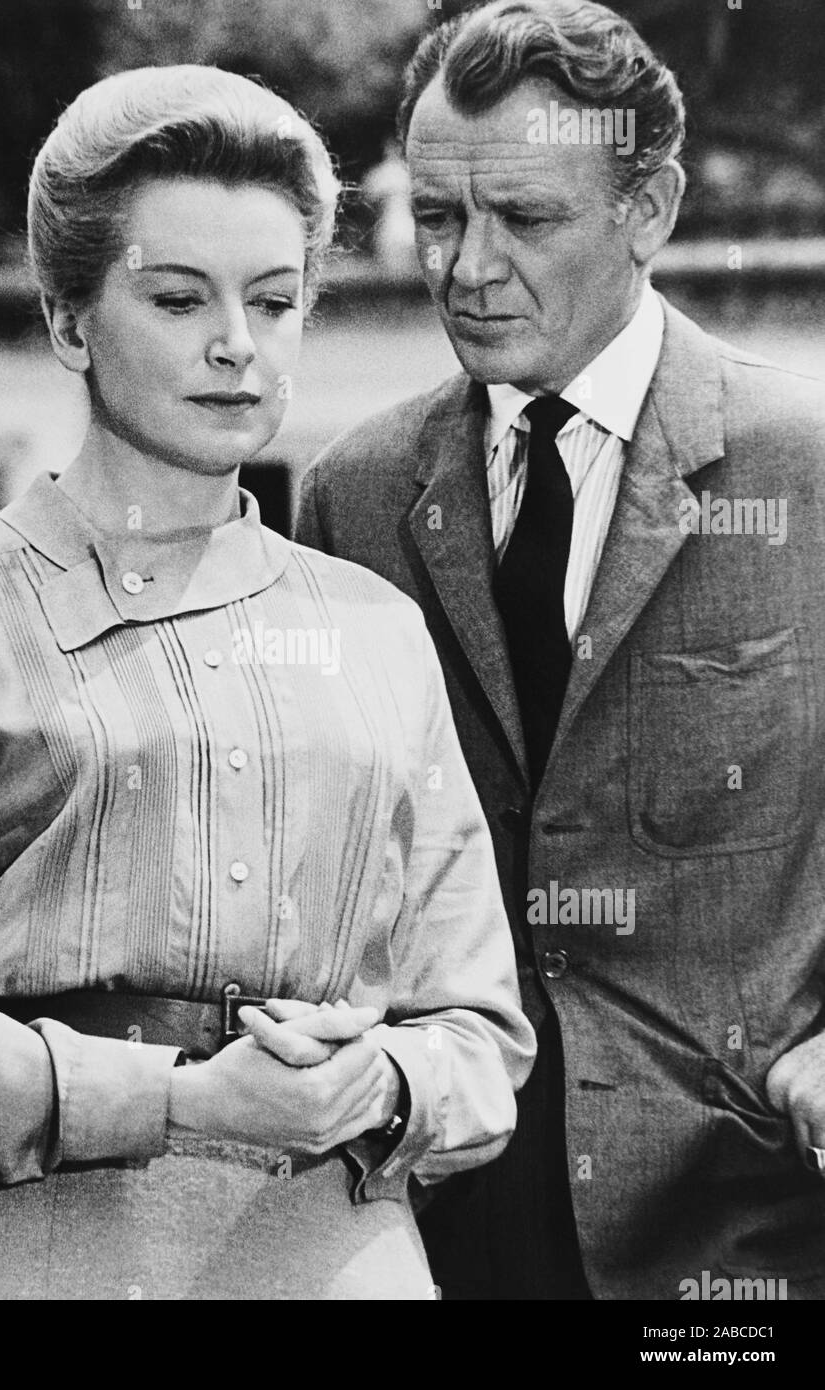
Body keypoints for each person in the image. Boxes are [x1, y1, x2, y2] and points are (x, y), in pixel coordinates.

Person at [0, 64, 534, 1302]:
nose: (238, 344)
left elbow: (480, 1036)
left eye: (278, 300)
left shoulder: (377, 630)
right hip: (35, 1262)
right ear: (68, 319)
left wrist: (377, 1082)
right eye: (179, 299)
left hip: (338, 1262)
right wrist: (177, 1099)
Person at [295, 0, 825, 1300]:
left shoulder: (803, 471)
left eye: (522, 218)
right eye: (434, 214)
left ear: (648, 209)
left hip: (740, 1236)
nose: (465, 266)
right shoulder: (349, 497)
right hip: (424, 1225)